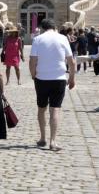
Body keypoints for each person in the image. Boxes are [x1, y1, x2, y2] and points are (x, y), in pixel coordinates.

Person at [29, 18, 75, 152]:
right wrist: (72, 78)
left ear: (42, 28)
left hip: (42, 78)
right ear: (54, 27)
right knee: (55, 109)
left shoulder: (38, 39)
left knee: (41, 108)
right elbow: (71, 61)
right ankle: (53, 141)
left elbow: (32, 61)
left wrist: (33, 74)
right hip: (59, 78)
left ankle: (42, 137)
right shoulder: (63, 38)